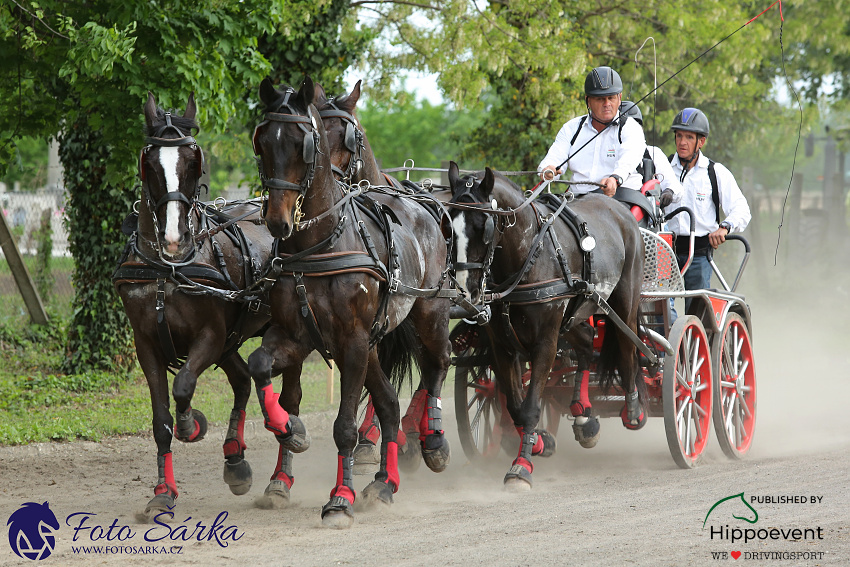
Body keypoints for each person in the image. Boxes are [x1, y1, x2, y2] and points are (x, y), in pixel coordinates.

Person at [665, 107, 751, 304]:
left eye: (688, 137)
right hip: (665, 252)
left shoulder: (715, 172)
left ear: (701, 141)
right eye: (678, 136)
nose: (682, 142)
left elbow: (741, 209)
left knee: (699, 313)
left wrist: (725, 227)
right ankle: (665, 336)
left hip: (699, 254)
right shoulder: (664, 167)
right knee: (658, 311)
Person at [538, 66, 646, 197]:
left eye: (611, 98)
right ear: (588, 101)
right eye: (600, 99)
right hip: (578, 201)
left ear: (619, 98)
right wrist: (548, 169)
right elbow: (555, 157)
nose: (607, 104)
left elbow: (628, 160)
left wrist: (615, 179)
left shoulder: (631, 127)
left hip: (621, 198)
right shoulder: (571, 128)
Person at [617, 101, 683, 209]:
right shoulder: (606, 153)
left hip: (644, 215)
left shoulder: (652, 153)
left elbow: (675, 186)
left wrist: (669, 191)